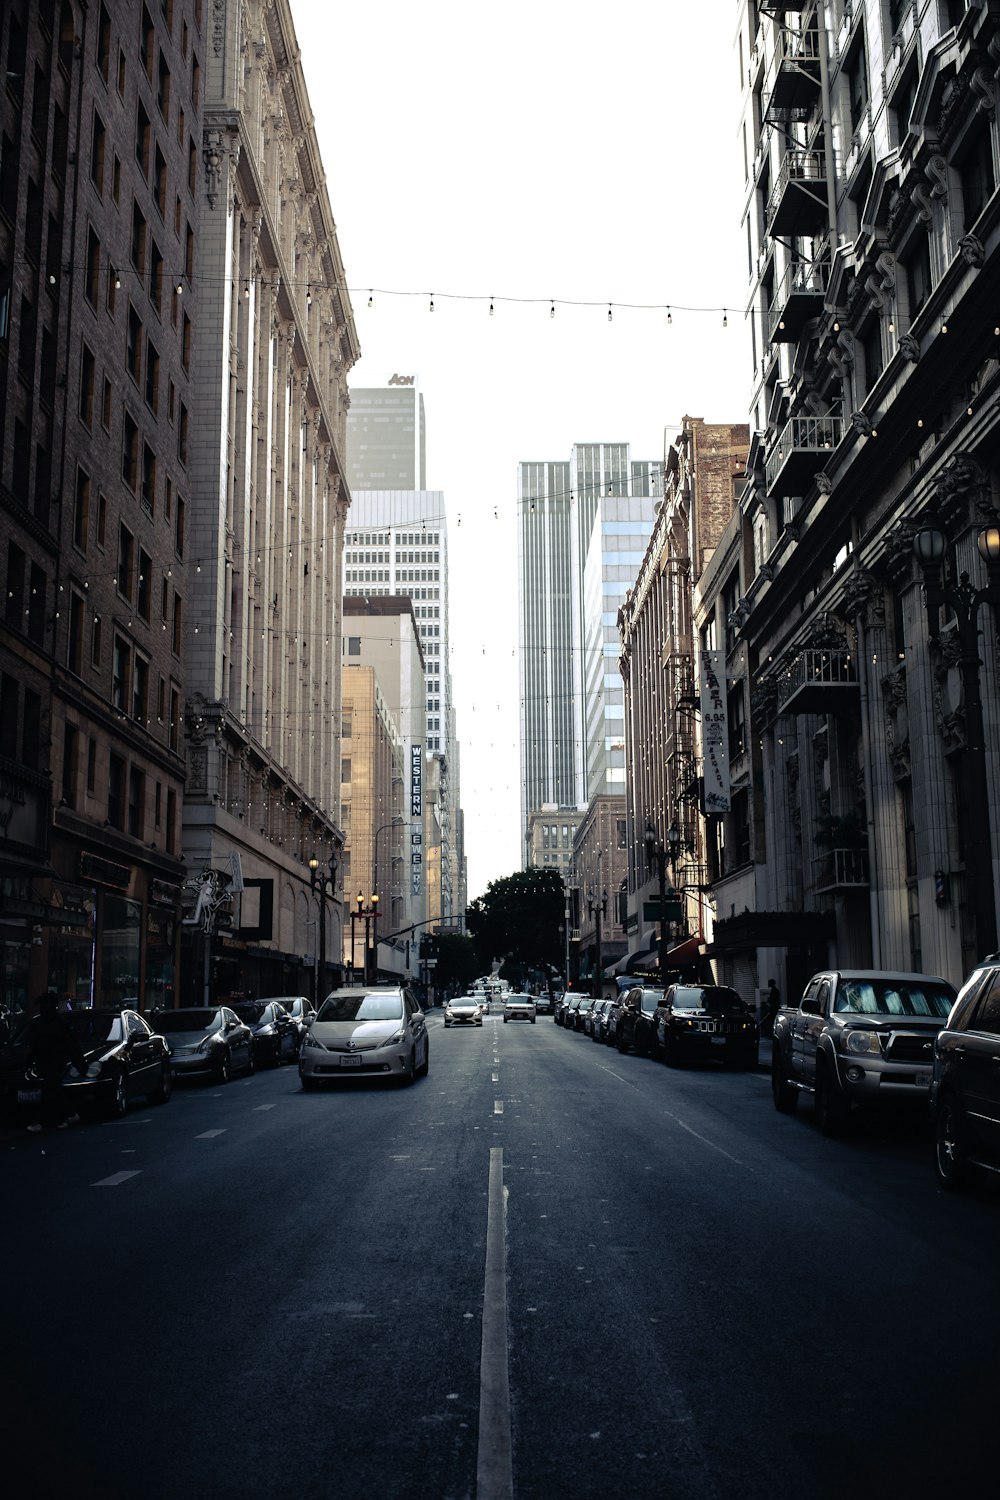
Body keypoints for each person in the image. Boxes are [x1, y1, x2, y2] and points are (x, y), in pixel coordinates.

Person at [24, 993, 89, 1132]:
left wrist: (80, 1064)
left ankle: (43, 1120)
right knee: (52, 1090)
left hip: (54, 1062)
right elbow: (33, 1044)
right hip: (45, 1061)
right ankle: (68, 1115)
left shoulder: (56, 1023)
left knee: (49, 1089)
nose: (44, 1007)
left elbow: (71, 1045)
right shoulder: (43, 1023)